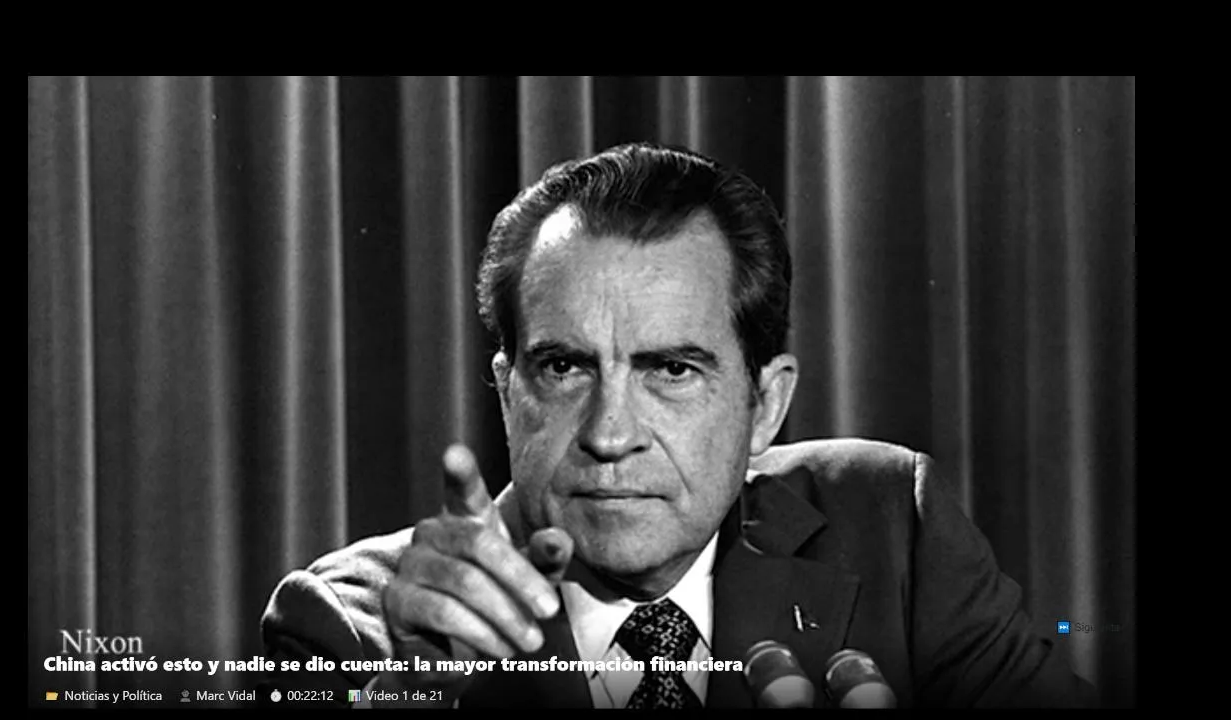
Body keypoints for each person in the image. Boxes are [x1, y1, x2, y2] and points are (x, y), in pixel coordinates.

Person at [259, 142, 1095, 708]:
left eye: (671, 370)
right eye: (565, 368)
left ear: (765, 405)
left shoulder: (894, 530)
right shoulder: (351, 628)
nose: (610, 434)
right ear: (508, 393)